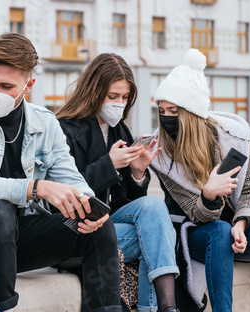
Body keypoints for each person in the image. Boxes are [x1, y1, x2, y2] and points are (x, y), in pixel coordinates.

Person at [0, 33, 121, 312]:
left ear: (28, 85)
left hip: (17, 238)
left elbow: (71, 178)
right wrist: (36, 188)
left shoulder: (46, 122)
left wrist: (88, 206)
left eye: (5, 85)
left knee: (100, 225)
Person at [150, 49, 250, 311]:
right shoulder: (162, 157)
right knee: (219, 231)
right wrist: (208, 195)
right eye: (162, 110)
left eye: (173, 110)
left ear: (191, 114)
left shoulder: (230, 138)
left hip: (232, 224)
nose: (166, 117)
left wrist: (240, 223)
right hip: (191, 230)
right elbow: (196, 214)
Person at [57, 53, 180, 312]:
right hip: (75, 230)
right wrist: (108, 165)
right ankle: (158, 308)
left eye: (124, 98)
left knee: (154, 209)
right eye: (112, 97)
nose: (119, 104)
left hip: (111, 224)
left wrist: (137, 174)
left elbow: (128, 206)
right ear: (94, 91)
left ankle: (167, 308)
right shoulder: (64, 129)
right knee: (160, 234)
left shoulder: (120, 130)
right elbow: (65, 192)